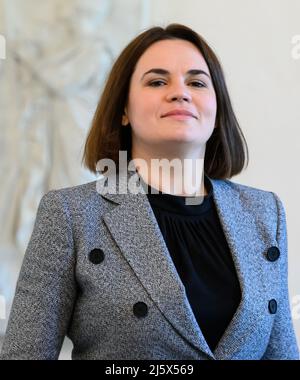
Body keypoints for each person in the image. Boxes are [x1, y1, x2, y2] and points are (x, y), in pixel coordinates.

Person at [0, 23, 299, 360]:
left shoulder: (264, 212)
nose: (180, 92)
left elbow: (282, 354)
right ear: (123, 110)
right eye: (158, 81)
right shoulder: (70, 214)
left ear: (217, 110)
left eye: (197, 82)